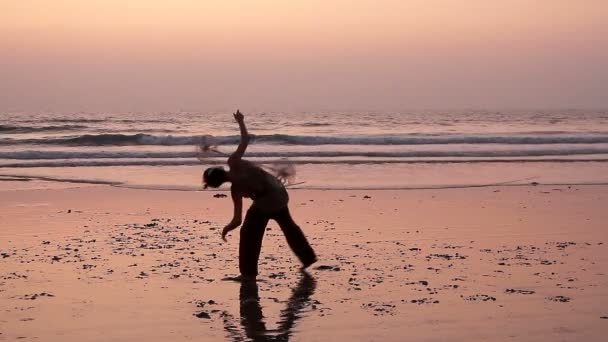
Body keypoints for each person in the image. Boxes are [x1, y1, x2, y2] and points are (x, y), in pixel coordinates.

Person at [203, 110, 317, 280]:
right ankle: (308, 258)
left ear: (217, 184)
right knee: (289, 227)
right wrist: (240, 121)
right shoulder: (234, 162)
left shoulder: (236, 190)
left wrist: (226, 229)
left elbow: (237, 220)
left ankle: (248, 274)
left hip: (267, 202)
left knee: (249, 232)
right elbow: (245, 139)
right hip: (279, 192)